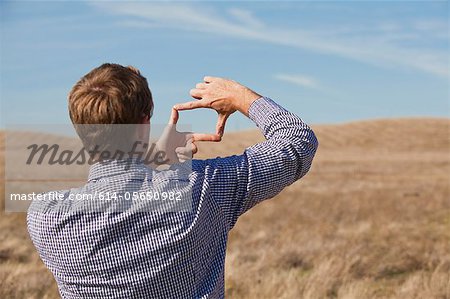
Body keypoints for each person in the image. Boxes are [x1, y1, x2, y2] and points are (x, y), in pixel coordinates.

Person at [27, 63, 318, 298]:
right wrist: (240, 96)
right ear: (144, 124)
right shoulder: (204, 187)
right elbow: (297, 143)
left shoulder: (46, 217)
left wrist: (154, 163)